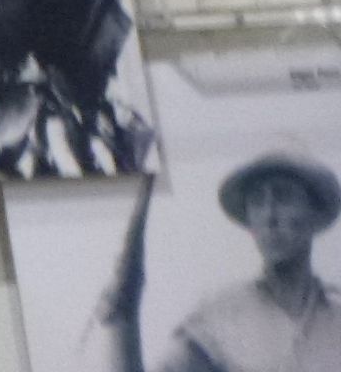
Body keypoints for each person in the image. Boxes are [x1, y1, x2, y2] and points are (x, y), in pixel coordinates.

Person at [135, 151, 341, 372]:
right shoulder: (218, 316)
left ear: (314, 213)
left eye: (284, 197)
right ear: (250, 222)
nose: (270, 216)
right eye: (257, 201)